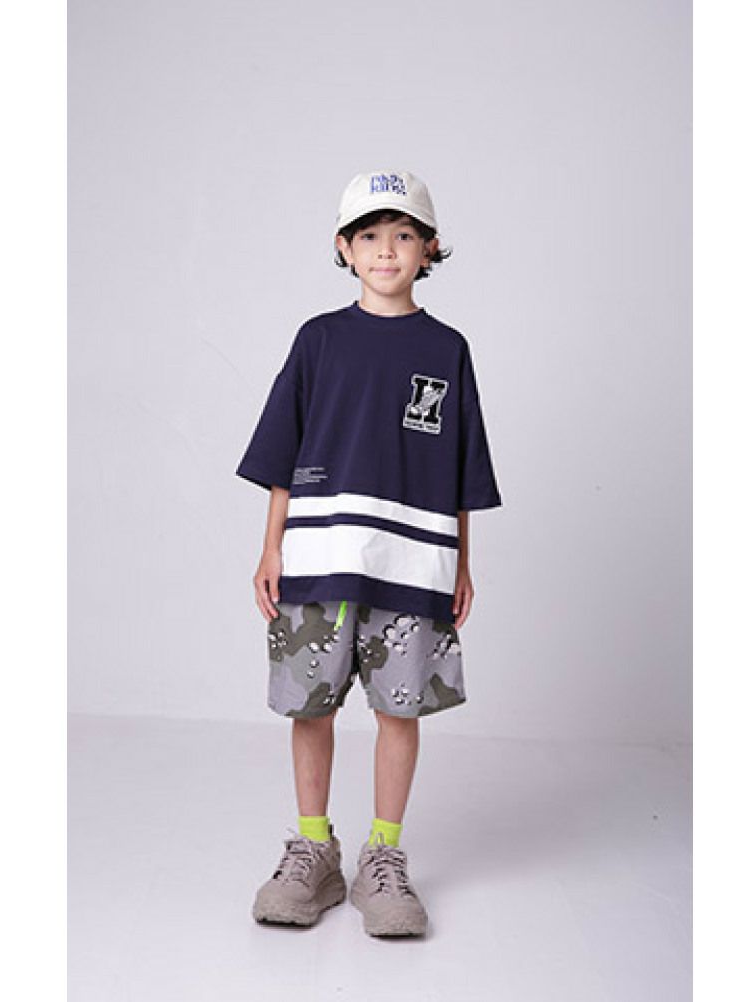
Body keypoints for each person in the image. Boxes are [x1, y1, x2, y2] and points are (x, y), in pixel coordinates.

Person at [235, 169, 503, 937]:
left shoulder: (447, 350)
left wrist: (462, 562)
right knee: (310, 706)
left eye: (404, 235)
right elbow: (281, 452)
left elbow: (462, 469)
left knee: (399, 709)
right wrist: (270, 548)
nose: (387, 250)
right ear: (345, 249)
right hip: (317, 558)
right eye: (371, 236)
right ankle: (312, 851)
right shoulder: (318, 340)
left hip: (414, 564)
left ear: (430, 249)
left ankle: (384, 858)